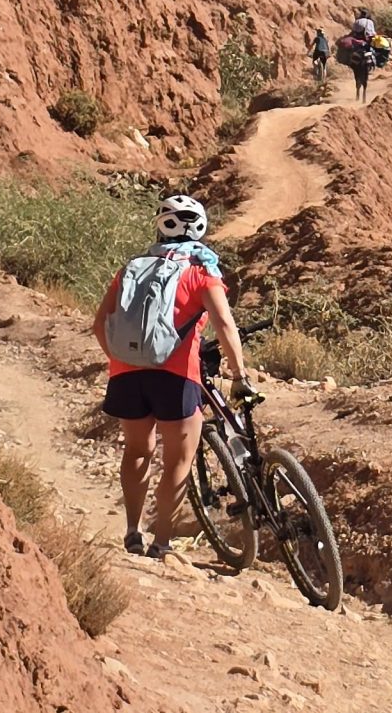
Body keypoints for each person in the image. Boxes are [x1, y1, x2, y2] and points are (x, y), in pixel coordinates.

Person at [93, 195, 252, 560]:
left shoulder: (132, 267)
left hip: (126, 373)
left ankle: (133, 531)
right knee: (178, 461)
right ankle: (161, 543)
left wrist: (120, 359)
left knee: (137, 452)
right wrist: (238, 373)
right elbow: (225, 324)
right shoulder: (200, 270)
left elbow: (99, 323)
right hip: (176, 375)